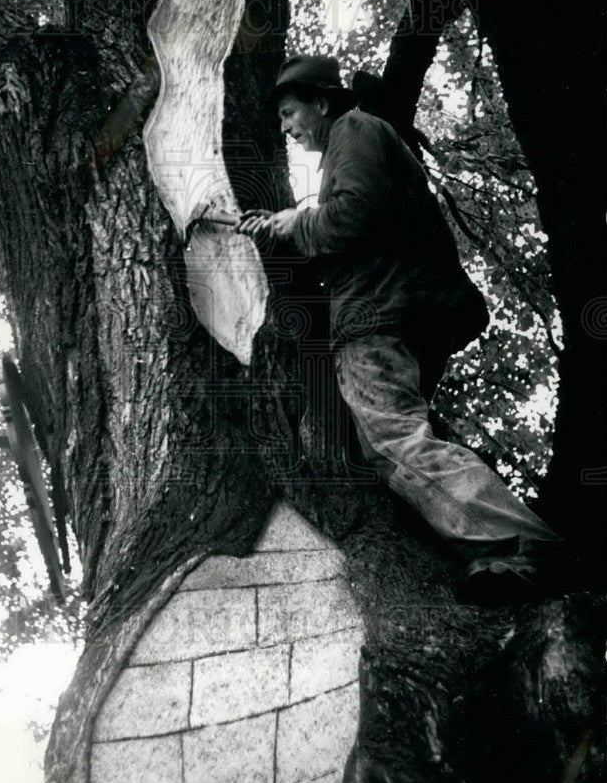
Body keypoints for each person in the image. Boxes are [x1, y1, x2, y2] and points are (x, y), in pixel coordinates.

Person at [238, 54, 562, 604]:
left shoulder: (354, 129)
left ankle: (521, 542)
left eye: (291, 114)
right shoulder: (354, 140)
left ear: (321, 102)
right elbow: (358, 230)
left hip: (380, 316)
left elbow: (354, 214)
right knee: (388, 440)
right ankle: (495, 549)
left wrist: (297, 222)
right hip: (399, 310)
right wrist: (288, 228)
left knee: (393, 438)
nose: (287, 128)